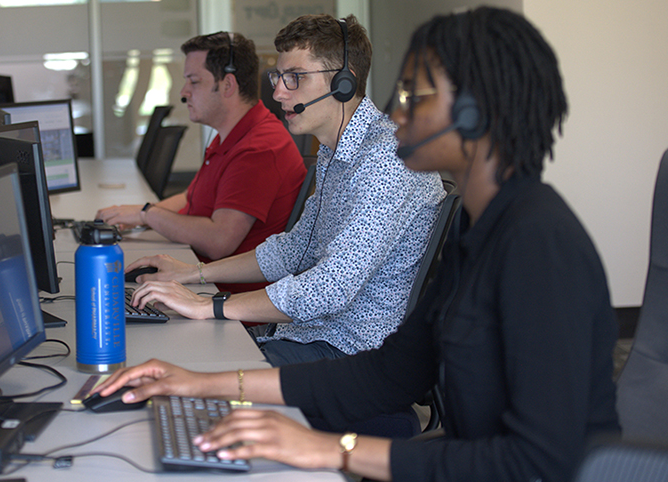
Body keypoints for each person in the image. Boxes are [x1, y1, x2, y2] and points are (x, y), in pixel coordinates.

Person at [93, 7, 621, 482]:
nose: (396, 109)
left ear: (475, 113)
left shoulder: (541, 245)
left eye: (416, 93)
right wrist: (197, 384)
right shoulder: (478, 234)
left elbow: (538, 463)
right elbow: (390, 373)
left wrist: (332, 450)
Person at [126, 14, 444, 366]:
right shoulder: (334, 153)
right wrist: (194, 273)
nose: (277, 92)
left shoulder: (387, 158)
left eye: (295, 78)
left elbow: (329, 288)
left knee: (188, 365)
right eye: (278, 77)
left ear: (343, 84)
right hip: (308, 334)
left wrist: (209, 305)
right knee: (173, 342)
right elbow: (292, 252)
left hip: (351, 354)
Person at [96, 32, 307, 294]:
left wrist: (147, 213)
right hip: (201, 280)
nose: (184, 93)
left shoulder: (259, 148)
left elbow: (220, 241)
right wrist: (136, 218)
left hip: (227, 301)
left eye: (194, 82)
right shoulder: (232, 135)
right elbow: (191, 197)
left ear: (228, 85)